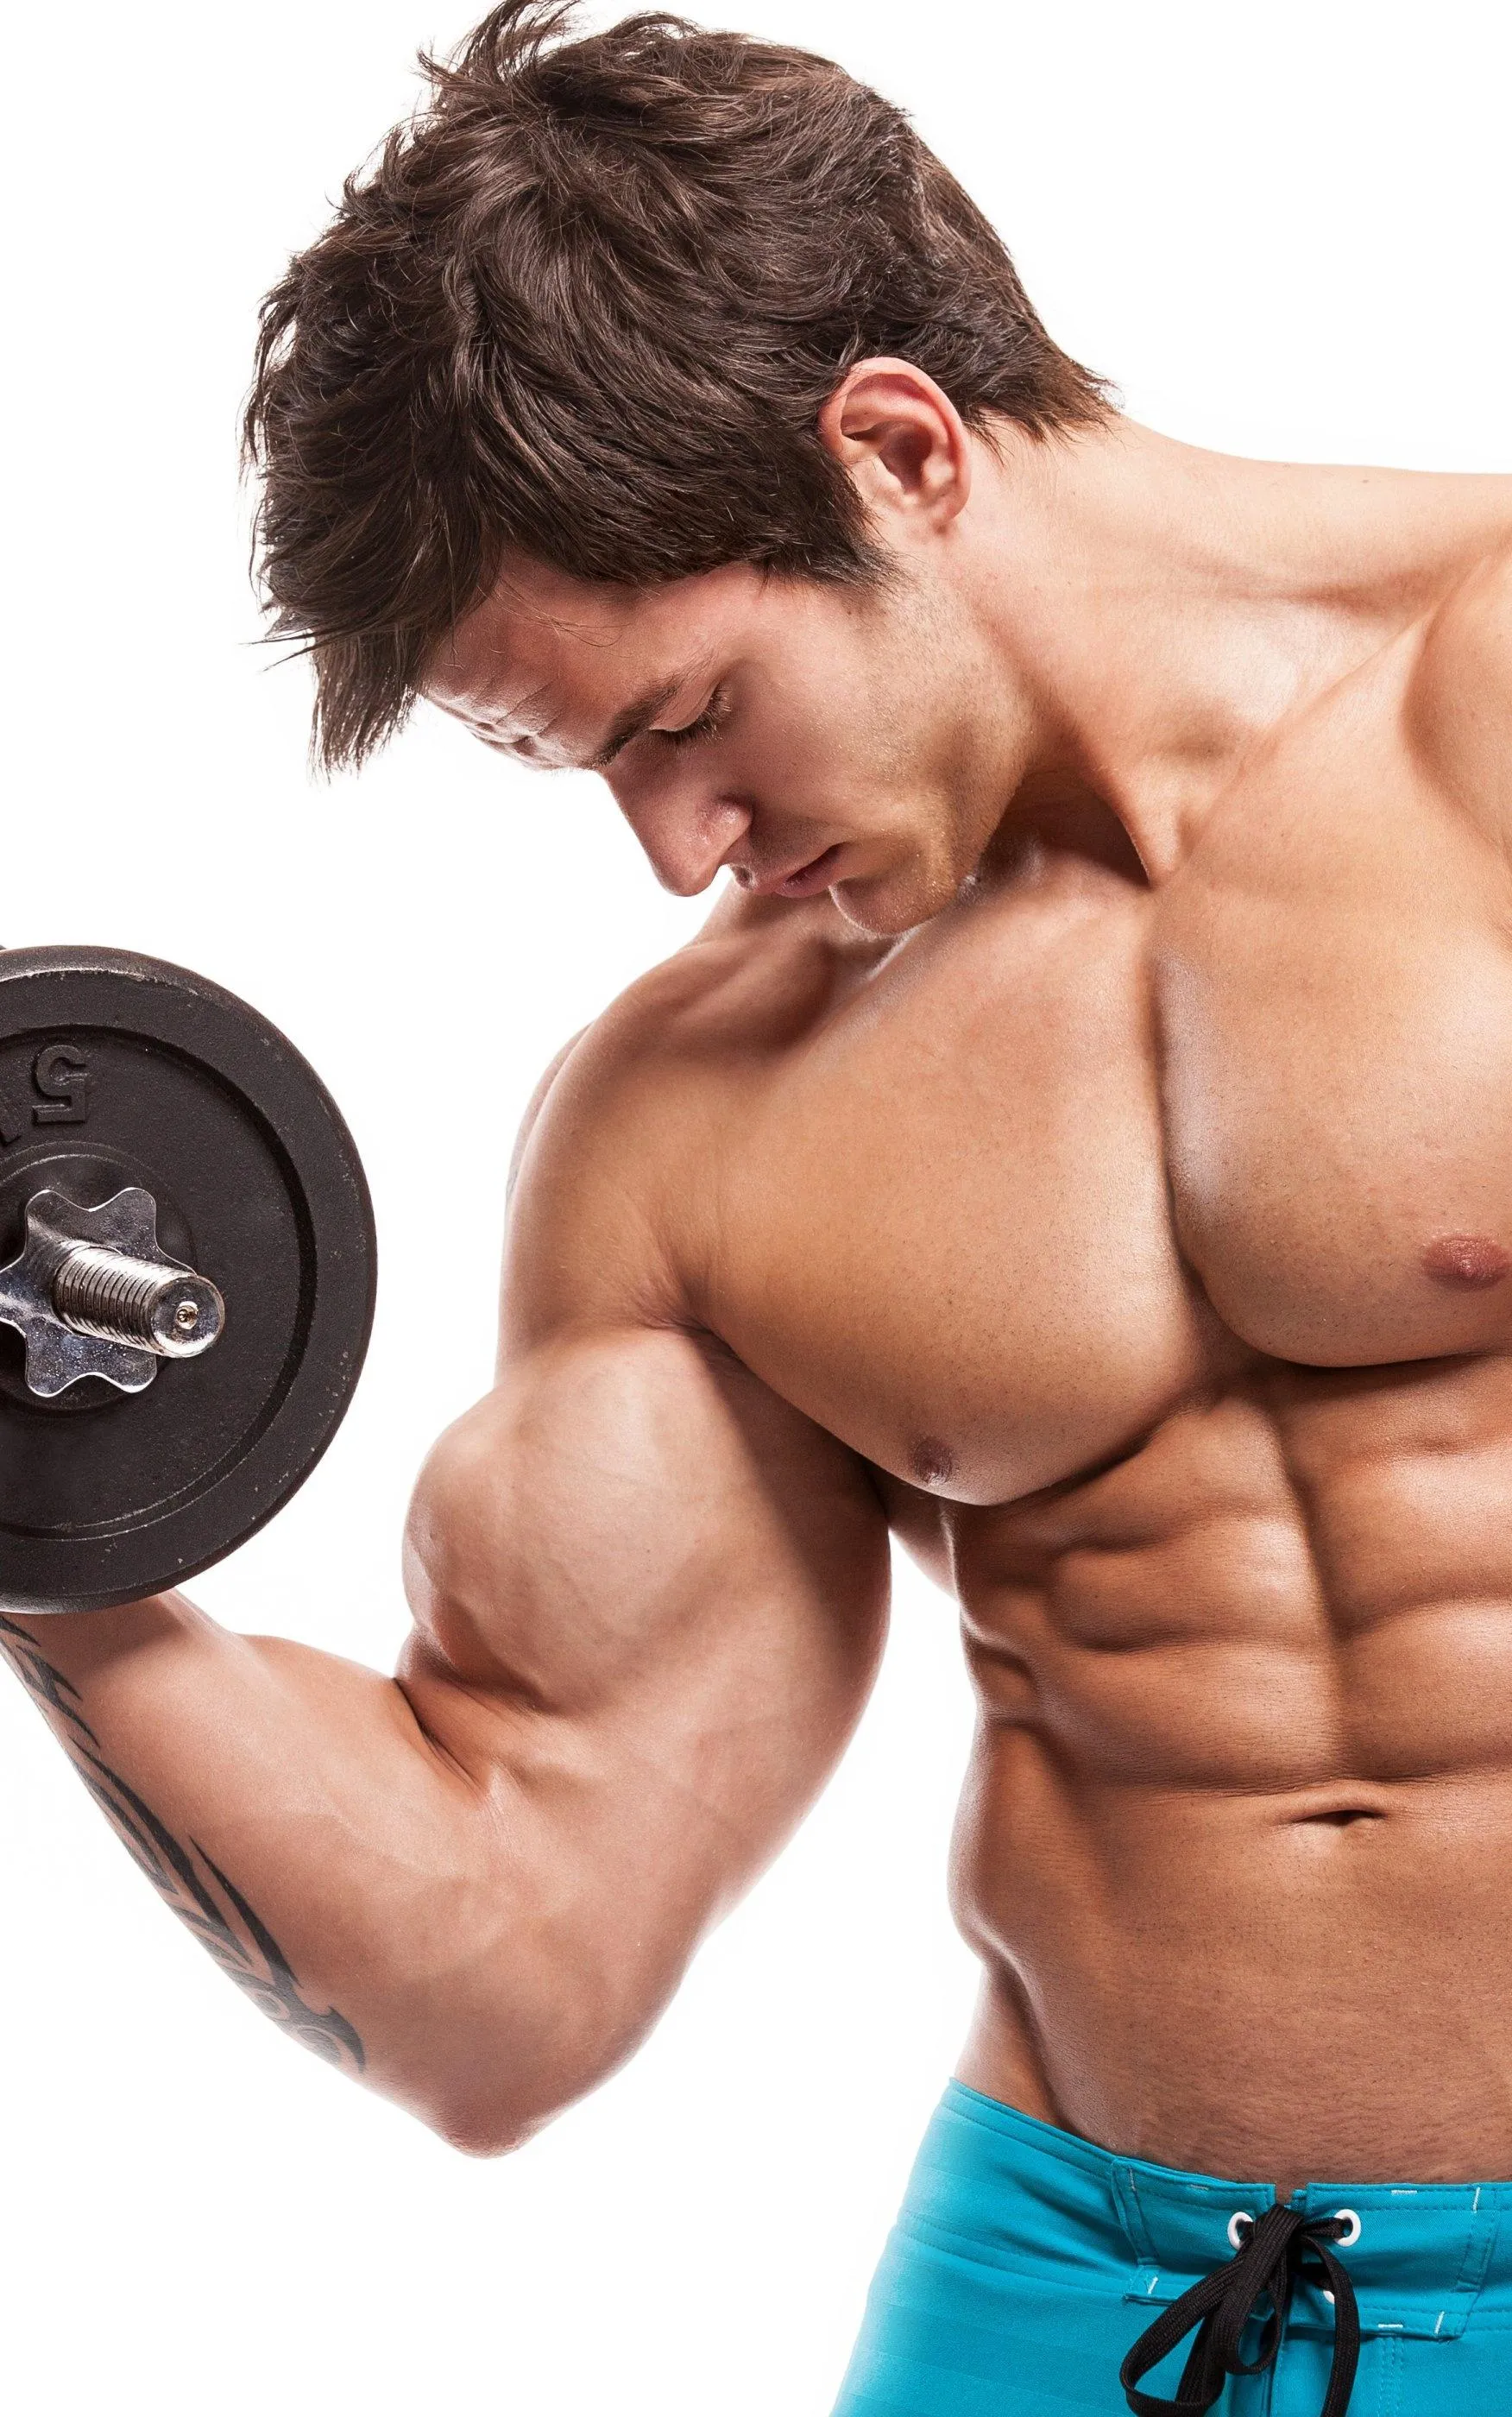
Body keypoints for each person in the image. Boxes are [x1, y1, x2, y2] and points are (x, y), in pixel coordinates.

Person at [5, 3, 1512, 2409]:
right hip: (1071, 2295)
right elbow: (510, 1969)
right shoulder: (696, 1119)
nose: (675, 851)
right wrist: (60, 1538)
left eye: (687, 718)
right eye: (586, 774)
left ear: (900, 453)